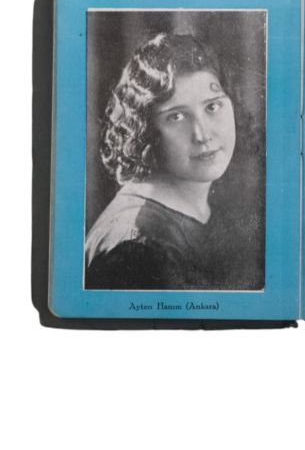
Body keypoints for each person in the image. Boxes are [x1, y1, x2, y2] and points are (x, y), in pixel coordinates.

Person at [85, 33, 264, 290]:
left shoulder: (202, 206)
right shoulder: (138, 248)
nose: (202, 135)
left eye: (212, 107)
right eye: (177, 117)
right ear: (146, 128)